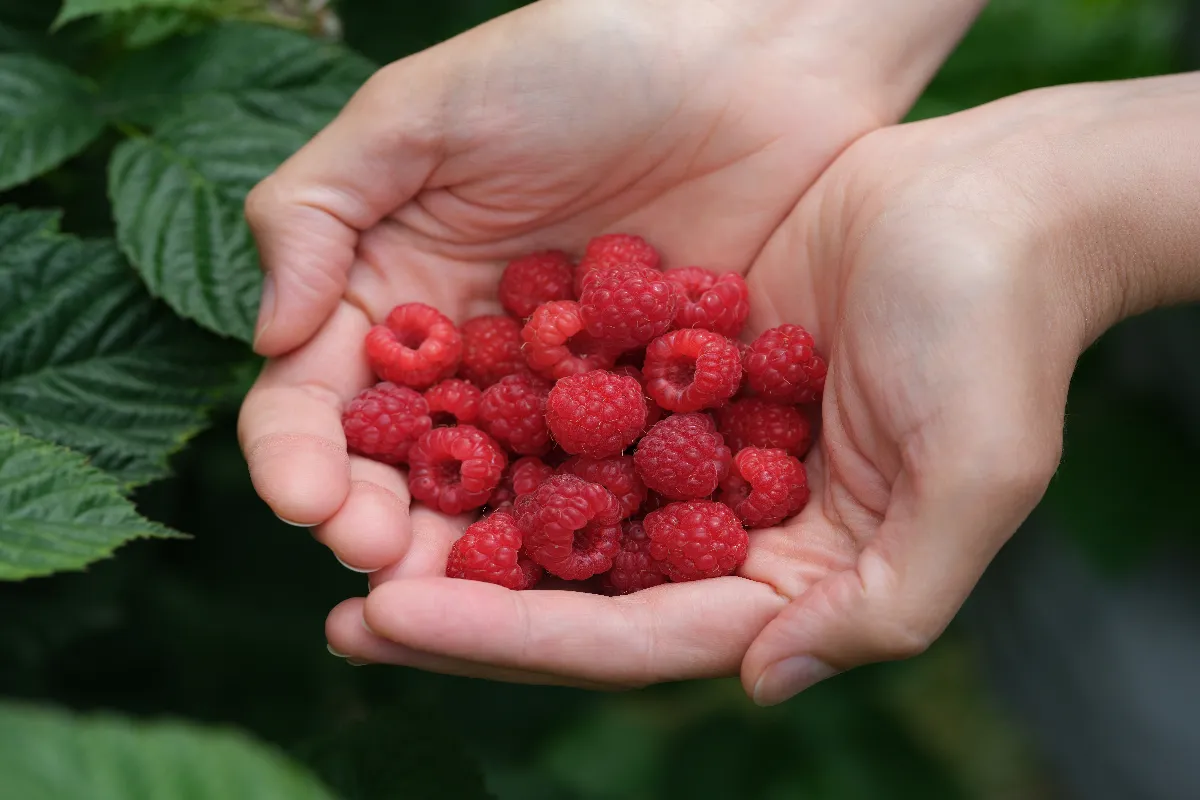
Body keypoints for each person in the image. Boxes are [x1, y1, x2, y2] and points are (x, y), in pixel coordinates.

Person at [237, 0, 1200, 707]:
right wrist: (774, 30)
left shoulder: (656, 419)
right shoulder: (587, 412)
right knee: (1113, 674)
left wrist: (1066, 206)